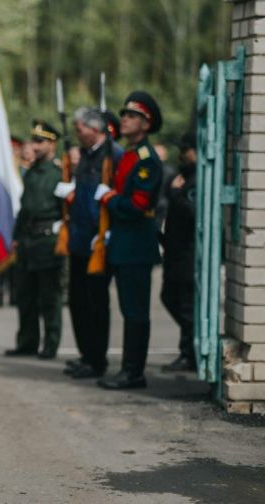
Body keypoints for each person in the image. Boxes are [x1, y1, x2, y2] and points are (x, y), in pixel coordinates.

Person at [94, 91, 163, 390]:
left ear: (146, 125)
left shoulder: (146, 160)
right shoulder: (129, 155)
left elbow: (136, 206)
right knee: (128, 309)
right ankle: (129, 369)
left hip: (136, 244)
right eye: (124, 114)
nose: (125, 119)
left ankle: (134, 372)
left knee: (135, 312)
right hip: (123, 244)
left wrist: (109, 198)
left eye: (132, 116)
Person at [54, 107, 113, 379]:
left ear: (96, 129)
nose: (78, 135)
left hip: (96, 241)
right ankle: (86, 355)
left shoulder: (111, 155)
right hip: (78, 238)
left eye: (81, 129)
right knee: (77, 301)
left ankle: (97, 359)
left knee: (95, 303)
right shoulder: (87, 156)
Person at [5, 119, 64, 359]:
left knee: (49, 297)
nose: (35, 146)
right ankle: (27, 342)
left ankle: (50, 345)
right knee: (25, 297)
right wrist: (17, 237)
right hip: (28, 241)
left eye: (41, 141)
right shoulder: (30, 173)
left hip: (48, 241)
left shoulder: (59, 173)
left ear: (52, 144)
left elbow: (64, 211)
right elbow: (24, 209)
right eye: (34, 141)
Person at [160, 132, 197, 372]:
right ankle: (190, 348)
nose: (180, 154)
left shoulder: (196, 179)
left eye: (185, 149)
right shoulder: (185, 176)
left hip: (187, 253)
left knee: (184, 304)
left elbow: (192, 213)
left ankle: (190, 353)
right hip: (175, 251)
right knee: (170, 298)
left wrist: (175, 194)